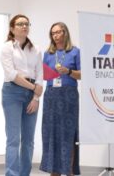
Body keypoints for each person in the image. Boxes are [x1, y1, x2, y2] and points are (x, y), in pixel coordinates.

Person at [0, 14, 43, 176]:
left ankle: (25, 173)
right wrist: (34, 88)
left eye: (26, 23)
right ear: (12, 28)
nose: (24, 26)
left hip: (32, 95)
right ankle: (12, 174)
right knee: (13, 140)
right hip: (12, 92)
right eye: (20, 24)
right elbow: (12, 75)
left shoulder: (36, 49)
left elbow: (40, 74)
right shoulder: (7, 48)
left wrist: (36, 97)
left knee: (28, 140)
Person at [39, 22, 81, 176]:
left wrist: (68, 71)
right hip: (51, 97)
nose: (55, 36)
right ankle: (54, 172)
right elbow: (42, 74)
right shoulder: (48, 54)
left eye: (58, 32)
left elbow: (82, 75)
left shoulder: (75, 52)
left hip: (69, 97)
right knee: (52, 134)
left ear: (65, 33)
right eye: (52, 33)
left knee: (68, 135)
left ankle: (68, 171)